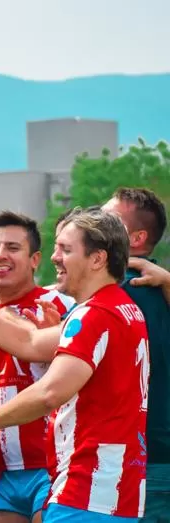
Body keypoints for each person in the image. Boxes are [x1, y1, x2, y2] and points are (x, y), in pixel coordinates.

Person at [0, 207, 148, 522]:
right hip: (113, 487)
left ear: (97, 259)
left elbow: (49, 392)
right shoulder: (123, 309)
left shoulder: (92, 314)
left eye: (66, 249)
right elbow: (29, 343)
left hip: (87, 488)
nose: (55, 257)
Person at [0, 212, 74, 523]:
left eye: (12, 248)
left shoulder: (60, 304)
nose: (0, 256)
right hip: (8, 472)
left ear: (35, 259)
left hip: (56, 464)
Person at [102, 187, 169, 522]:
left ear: (138, 238)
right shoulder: (154, 287)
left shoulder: (128, 292)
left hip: (144, 463)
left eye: (108, 220)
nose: (94, 225)